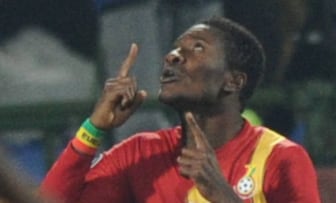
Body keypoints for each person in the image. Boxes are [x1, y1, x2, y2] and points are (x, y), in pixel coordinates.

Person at [40, 16, 321, 203]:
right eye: (175, 49)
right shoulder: (139, 155)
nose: (172, 56)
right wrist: (94, 128)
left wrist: (224, 196)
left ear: (233, 81)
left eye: (197, 48)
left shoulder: (280, 159)